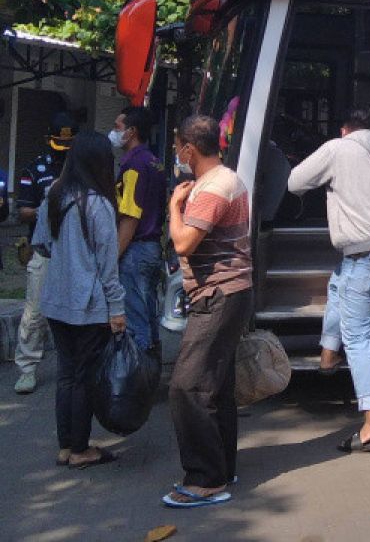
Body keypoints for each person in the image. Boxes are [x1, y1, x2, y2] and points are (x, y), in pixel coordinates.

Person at [287, 105, 370, 453]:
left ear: (345, 129)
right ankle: (328, 354)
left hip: (368, 251)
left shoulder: (337, 148)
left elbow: (295, 181)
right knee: (338, 282)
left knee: (359, 336)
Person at [164, 115, 253, 508]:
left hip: (219, 294)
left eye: (177, 146)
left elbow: (183, 243)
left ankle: (205, 480)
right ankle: (222, 467)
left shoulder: (214, 187)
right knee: (214, 386)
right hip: (223, 293)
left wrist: (173, 206)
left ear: (189, 149)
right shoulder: (219, 180)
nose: (176, 153)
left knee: (187, 386)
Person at [31, 129, 125, 468]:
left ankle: (66, 446)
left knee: (67, 374)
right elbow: (107, 265)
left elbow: (40, 244)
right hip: (88, 305)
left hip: (55, 299)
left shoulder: (54, 194)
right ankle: (80, 449)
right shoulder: (97, 204)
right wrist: (117, 309)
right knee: (83, 377)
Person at [13, 111, 77, 395]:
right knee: (34, 314)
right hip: (43, 252)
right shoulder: (35, 169)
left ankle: (73, 367)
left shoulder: (82, 169)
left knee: (75, 312)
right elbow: (22, 212)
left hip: (74, 255)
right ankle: (27, 369)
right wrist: (46, 208)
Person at [110, 105, 167, 354]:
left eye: (117, 127)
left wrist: (113, 257)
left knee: (135, 319)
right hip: (153, 248)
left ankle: (137, 377)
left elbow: (130, 217)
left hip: (136, 250)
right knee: (149, 312)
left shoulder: (133, 166)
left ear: (131, 132)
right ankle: (151, 369)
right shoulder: (155, 162)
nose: (113, 132)